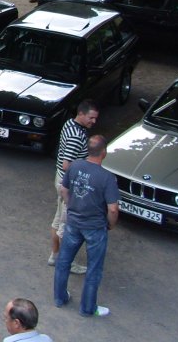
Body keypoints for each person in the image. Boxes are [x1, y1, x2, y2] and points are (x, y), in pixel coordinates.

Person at [54, 135, 119, 318]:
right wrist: (110, 224)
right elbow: (113, 209)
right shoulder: (107, 178)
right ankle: (88, 308)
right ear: (104, 152)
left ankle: (59, 298)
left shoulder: (74, 166)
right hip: (95, 227)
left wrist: (72, 207)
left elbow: (64, 190)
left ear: (88, 150)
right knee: (94, 269)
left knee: (63, 262)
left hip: (73, 222)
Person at [49, 100, 99, 273]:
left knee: (58, 220)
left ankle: (55, 256)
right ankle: (66, 263)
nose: (93, 121)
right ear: (81, 114)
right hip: (68, 184)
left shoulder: (70, 124)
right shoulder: (76, 136)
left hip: (61, 180)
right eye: (91, 118)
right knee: (66, 225)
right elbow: (66, 164)